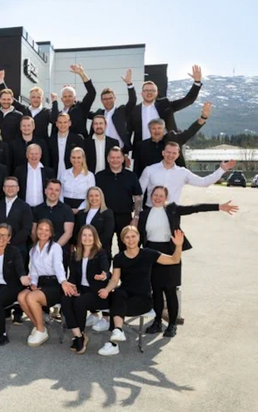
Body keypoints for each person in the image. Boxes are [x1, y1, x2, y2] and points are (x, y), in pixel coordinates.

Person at [138, 186, 239, 337]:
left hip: (171, 251)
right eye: (155, 195)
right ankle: (157, 322)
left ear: (166, 197)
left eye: (161, 196)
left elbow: (195, 208)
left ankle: (172, 324)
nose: (157, 198)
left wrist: (218, 206)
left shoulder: (172, 209)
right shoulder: (144, 214)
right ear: (151, 196)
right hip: (151, 253)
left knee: (170, 290)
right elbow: (139, 235)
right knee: (156, 290)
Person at [96, 226, 184, 356]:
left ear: (138, 237)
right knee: (117, 294)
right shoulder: (119, 257)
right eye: (127, 237)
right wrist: (107, 289)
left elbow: (174, 260)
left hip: (143, 300)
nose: (130, 240)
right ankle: (117, 332)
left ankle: (113, 343)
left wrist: (178, 245)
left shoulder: (148, 254)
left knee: (116, 305)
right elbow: (114, 280)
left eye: (133, 236)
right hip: (125, 296)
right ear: (123, 240)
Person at [60, 225, 111, 354]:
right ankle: (79, 335)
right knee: (65, 299)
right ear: (80, 237)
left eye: (90, 235)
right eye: (84, 235)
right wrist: (72, 287)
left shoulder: (101, 253)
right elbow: (72, 276)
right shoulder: (75, 255)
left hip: (96, 292)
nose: (87, 238)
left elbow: (106, 271)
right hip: (81, 289)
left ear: (95, 238)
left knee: (79, 302)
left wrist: (104, 275)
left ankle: (79, 336)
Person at [17, 219, 68, 347]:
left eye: (46, 230)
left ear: (51, 233)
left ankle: (40, 331)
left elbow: (58, 266)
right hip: (41, 283)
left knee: (31, 297)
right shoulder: (33, 249)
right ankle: (39, 326)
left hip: (55, 284)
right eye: (40, 229)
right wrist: (33, 283)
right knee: (21, 297)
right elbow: (33, 271)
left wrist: (63, 281)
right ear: (36, 230)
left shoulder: (55, 247)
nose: (43, 232)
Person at [139, 142, 236, 207]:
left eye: (174, 153)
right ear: (163, 153)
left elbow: (204, 182)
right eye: (168, 152)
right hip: (150, 211)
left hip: (172, 213)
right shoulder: (149, 170)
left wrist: (221, 170)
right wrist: (137, 215)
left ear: (178, 155)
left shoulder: (183, 173)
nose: (171, 155)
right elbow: (139, 194)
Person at [127, 65, 203, 148]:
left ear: (156, 93)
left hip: (166, 149)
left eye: (152, 90)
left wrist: (197, 82)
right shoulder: (134, 110)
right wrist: (125, 151)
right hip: (142, 150)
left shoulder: (165, 105)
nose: (149, 92)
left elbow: (188, 100)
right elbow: (128, 132)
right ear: (142, 93)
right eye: (146, 90)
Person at [133, 107, 210, 177]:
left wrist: (203, 117)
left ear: (163, 130)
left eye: (159, 128)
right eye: (153, 128)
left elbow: (190, 132)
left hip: (172, 181)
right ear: (149, 130)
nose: (156, 131)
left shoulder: (173, 139)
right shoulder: (141, 146)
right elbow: (137, 168)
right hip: (149, 183)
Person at [95, 146, 144, 253]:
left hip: (125, 217)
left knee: (126, 247)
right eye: (112, 157)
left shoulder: (131, 176)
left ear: (123, 159)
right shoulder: (99, 176)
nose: (115, 160)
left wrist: (136, 218)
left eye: (118, 157)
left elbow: (138, 198)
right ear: (108, 159)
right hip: (104, 216)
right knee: (103, 248)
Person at [0, 177, 34, 267]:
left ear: (18, 188)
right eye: (7, 186)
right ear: (3, 188)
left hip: (18, 249)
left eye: (13, 186)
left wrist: (9, 241)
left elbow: (26, 229)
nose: (10, 188)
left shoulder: (25, 207)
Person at [90, 70, 136, 153]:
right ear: (101, 100)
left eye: (110, 98)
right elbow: (84, 111)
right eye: (105, 99)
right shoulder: (99, 113)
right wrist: (73, 101)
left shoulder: (122, 111)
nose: (108, 101)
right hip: (101, 150)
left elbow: (132, 101)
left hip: (119, 151)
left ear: (115, 98)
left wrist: (129, 84)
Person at [49, 64, 96, 137]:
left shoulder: (81, 108)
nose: (67, 99)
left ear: (75, 98)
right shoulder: (58, 114)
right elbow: (53, 125)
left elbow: (92, 93)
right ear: (61, 99)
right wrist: (54, 102)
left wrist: (82, 74)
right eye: (65, 96)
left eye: (70, 96)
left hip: (79, 143)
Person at [32, 179, 75, 249]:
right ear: (45, 191)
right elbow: (33, 231)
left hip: (60, 249)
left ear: (60, 193)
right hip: (40, 249)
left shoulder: (67, 210)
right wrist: (41, 247)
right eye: (50, 189)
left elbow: (68, 233)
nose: (53, 192)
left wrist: (54, 249)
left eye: (57, 190)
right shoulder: (37, 209)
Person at [75, 187, 115, 257]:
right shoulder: (81, 213)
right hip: (82, 251)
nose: (94, 198)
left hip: (100, 251)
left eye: (96, 195)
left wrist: (94, 246)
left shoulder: (108, 213)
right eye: (91, 196)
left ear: (101, 197)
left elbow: (107, 234)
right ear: (87, 198)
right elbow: (76, 232)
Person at [47, 113, 84, 180]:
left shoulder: (78, 139)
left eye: (65, 122)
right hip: (54, 177)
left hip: (73, 177)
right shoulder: (50, 140)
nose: (62, 125)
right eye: (60, 122)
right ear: (56, 124)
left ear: (69, 123)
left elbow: (82, 159)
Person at [61, 147, 96, 212]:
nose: (76, 160)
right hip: (64, 208)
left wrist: (79, 209)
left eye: (79, 158)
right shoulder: (64, 174)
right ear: (70, 158)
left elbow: (91, 195)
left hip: (82, 208)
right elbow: (60, 192)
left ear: (83, 159)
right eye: (73, 157)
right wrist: (63, 207)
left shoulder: (90, 176)